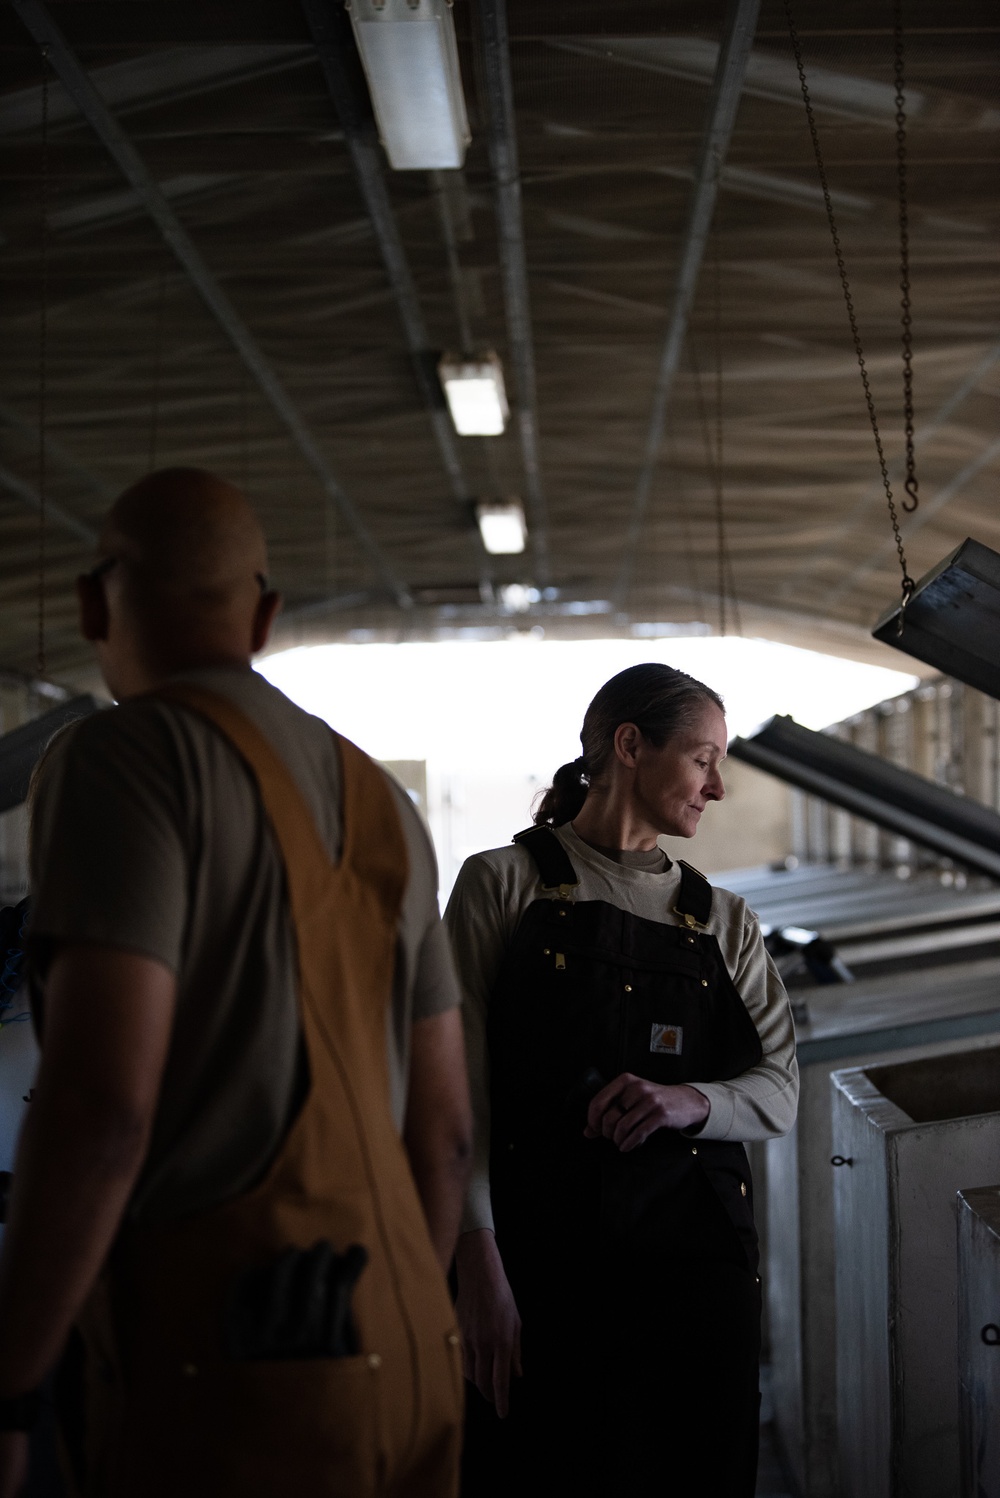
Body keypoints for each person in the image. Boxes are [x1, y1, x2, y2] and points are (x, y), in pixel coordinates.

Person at [0, 468, 471, 1498]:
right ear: (264, 616)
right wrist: (386, 1329)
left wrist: (12, 1386)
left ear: (92, 602)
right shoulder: (383, 799)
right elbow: (443, 1135)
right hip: (412, 1357)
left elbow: (100, 1109)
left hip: (233, 1375)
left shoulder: (118, 757)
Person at [446, 663, 798, 1497]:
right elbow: (454, 1093)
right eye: (703, 757)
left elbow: (780, 1089)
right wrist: (475, 1262)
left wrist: (689, 1100)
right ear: (630, 746)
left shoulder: (720, 918)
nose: (716, 787)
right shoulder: (504, 883)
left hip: (696, 1276)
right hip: (540, 1270)